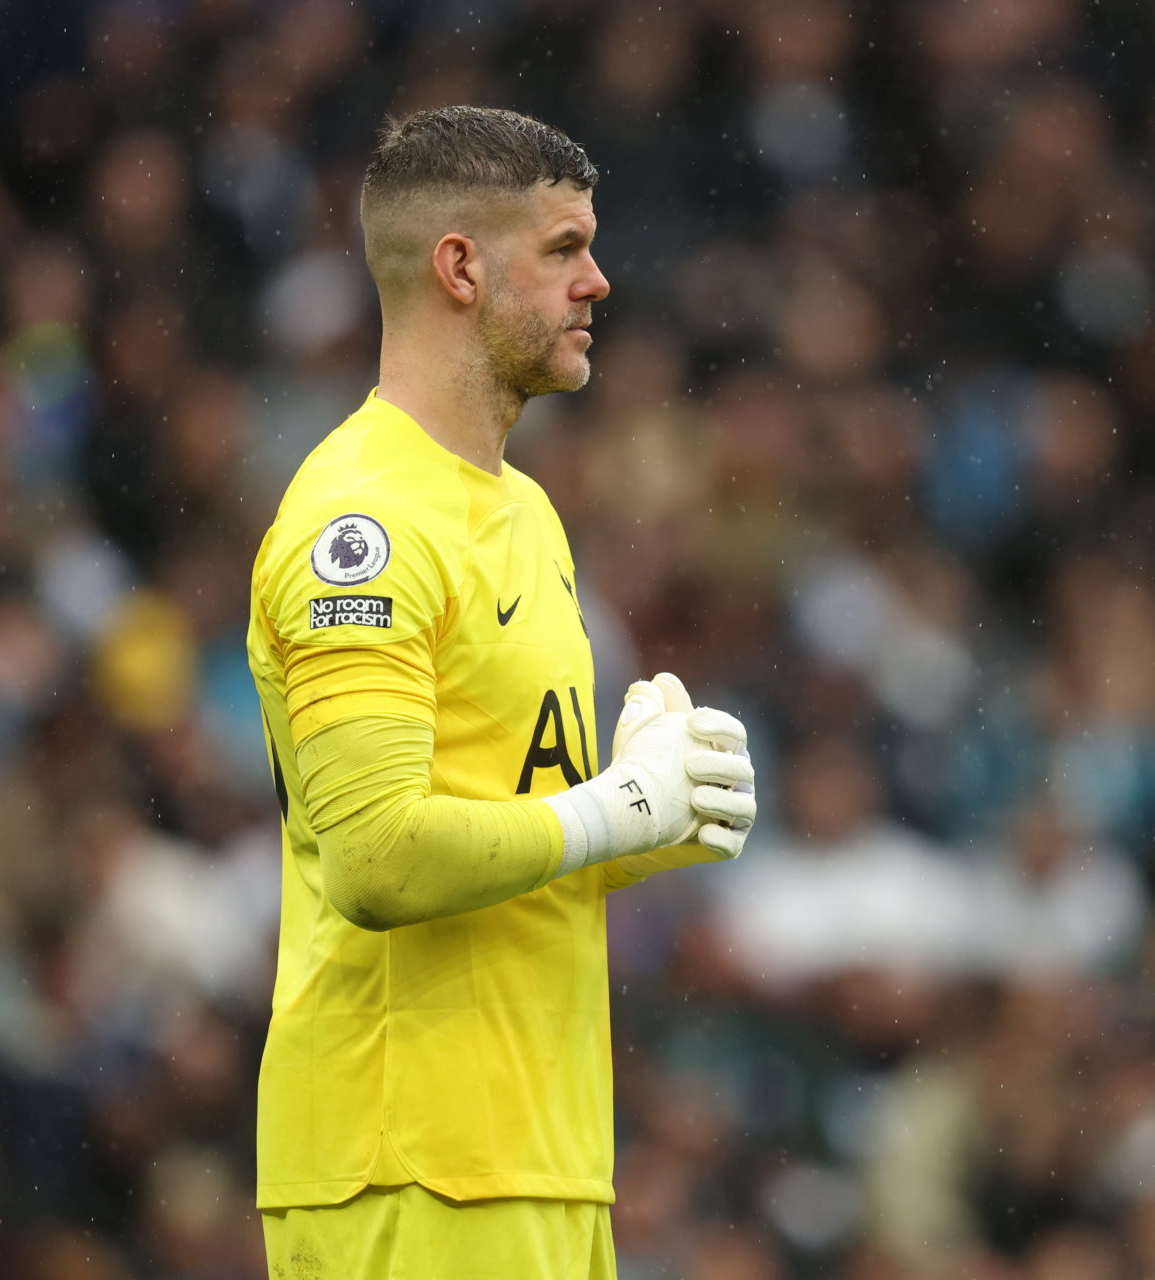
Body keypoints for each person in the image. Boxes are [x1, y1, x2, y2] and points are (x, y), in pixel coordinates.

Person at [244, 105, 758, 1278]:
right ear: (459, 267)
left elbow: (504, 823)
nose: (600, 280)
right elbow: (377, 856)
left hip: (543, 1155)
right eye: (565, 248)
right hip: (409, 1162)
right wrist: (611, 811)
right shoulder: (361, 525)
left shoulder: (521, 509)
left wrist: (658, 813)